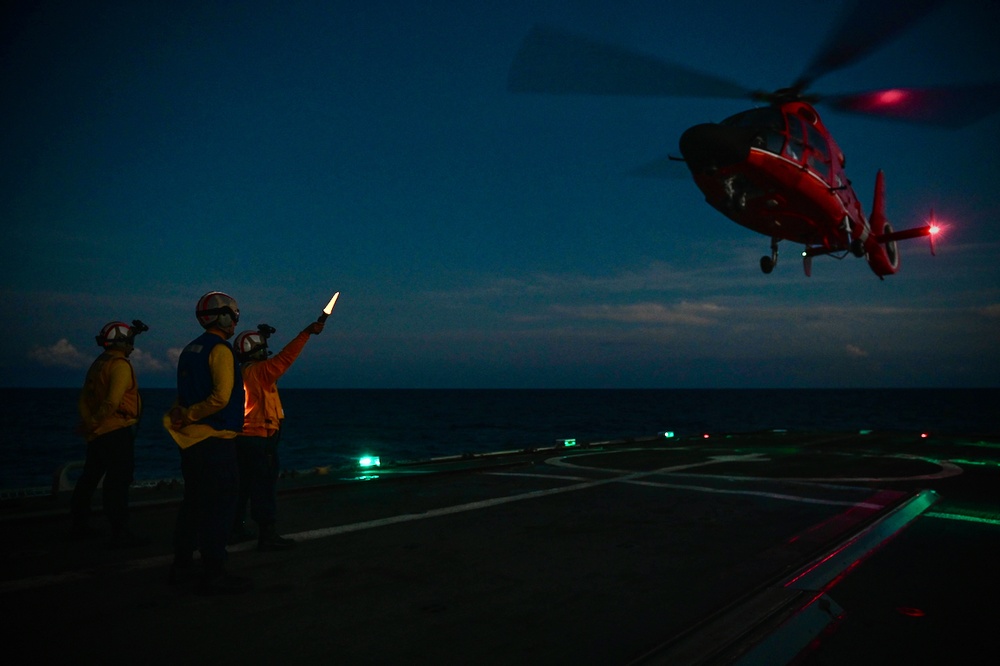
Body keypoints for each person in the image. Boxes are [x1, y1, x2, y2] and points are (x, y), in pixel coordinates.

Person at [164, 291, 251, 594]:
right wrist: (191, 414)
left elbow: (185, 392)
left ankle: (182, 565)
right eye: (234, 316)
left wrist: (183, 414)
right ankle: (214, 572)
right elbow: (220, 398)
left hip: (191, 445)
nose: (236, 322)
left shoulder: (190, 350)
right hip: (215, 440)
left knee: (194, 504)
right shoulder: (221, 350)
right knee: (220, 507)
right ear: (223, 316)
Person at [231, 319, 324, 550]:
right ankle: (267, 535)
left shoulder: (242, 372)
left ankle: (235, 529)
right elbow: (285, 358)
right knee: (263, 488)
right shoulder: (260, 372)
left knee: (241, 487)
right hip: (260, 439)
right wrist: (306, 332)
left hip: (242, 438)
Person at [72, 320, 149, 548]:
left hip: (98, 433)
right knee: (118, 482)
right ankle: (119, 531)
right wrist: (96, 422)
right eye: (130, 342)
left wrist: (90, 424)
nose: (132, 346)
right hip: (116, 431)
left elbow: (84, 398)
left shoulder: (99, 363)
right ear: (123, 343)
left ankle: (79, 524)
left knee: (89, 478)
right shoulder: (120, 365)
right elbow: (112, 402)